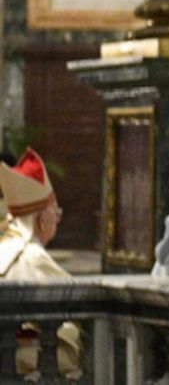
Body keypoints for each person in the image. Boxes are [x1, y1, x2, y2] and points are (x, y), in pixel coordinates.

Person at [1, 149, 82, 377]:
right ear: (42, 219)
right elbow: (77, 309)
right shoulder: (33, 257)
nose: (57, 219)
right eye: (56, 211)